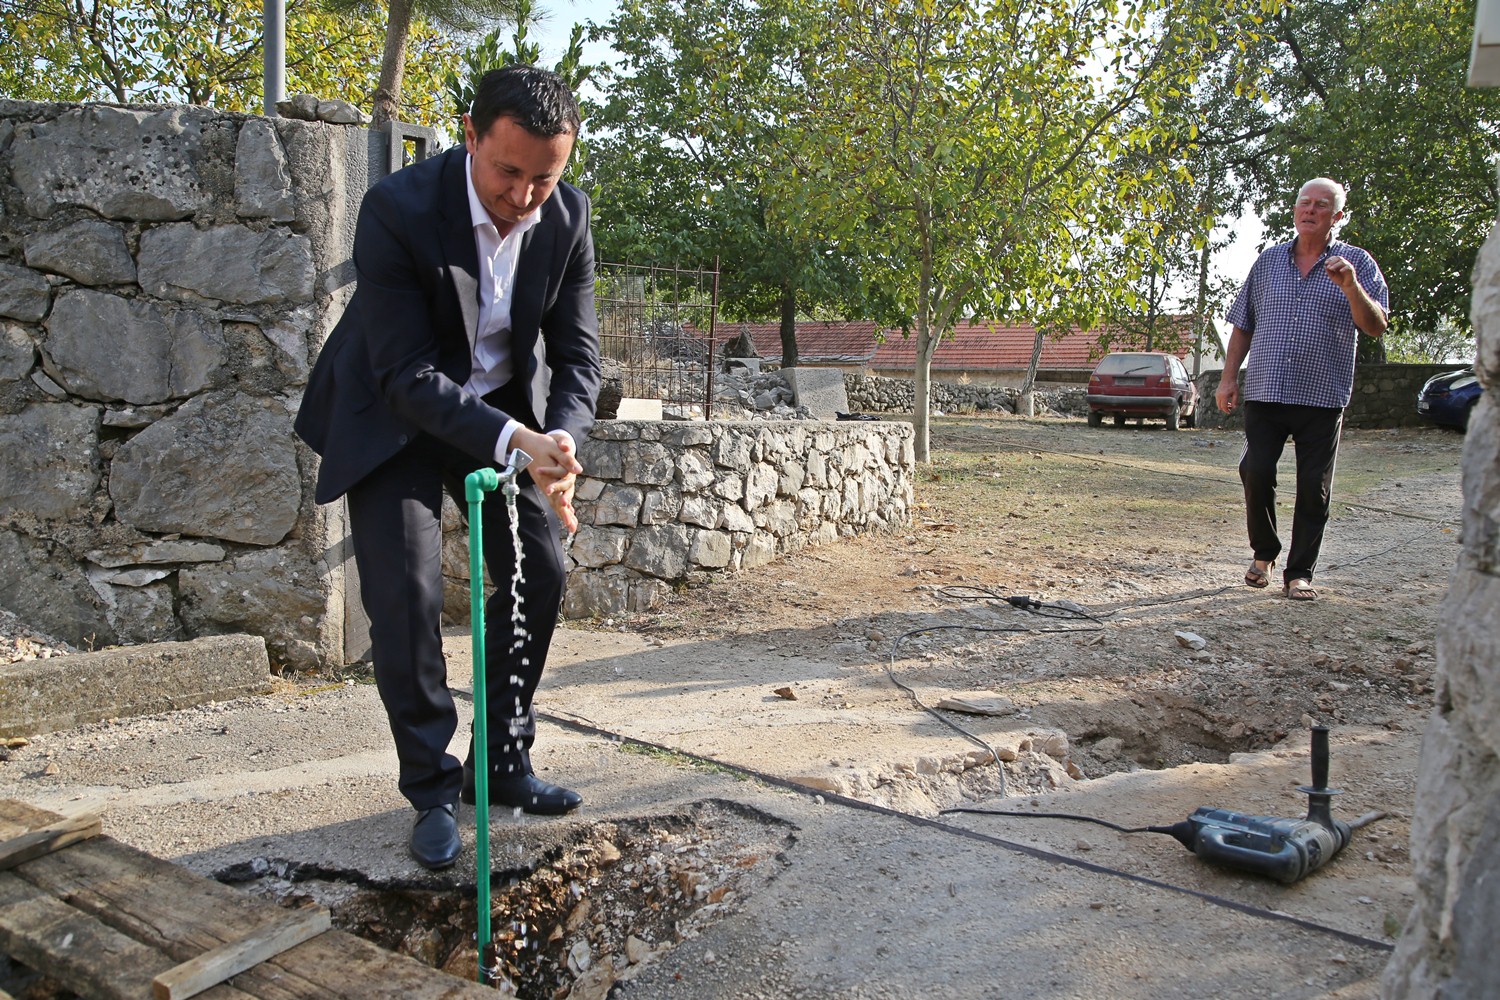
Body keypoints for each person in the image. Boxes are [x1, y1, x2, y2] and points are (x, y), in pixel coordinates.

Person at [294, 66, 601, 869]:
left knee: (541, 568)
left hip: (505, 419)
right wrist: (517, 443)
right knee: (407, 594)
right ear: (470, 133)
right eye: (508, 171)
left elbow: (578, 357)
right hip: (394, 415)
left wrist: (561, 443)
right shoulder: (396, 208)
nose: (525, 194)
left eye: (545, 176)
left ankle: (499, 763)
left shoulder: (567, 217)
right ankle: (431, 786)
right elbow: (404, 375)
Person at [1215, 177, 1388, 602]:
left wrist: (1350, 287)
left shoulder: (1356, 263)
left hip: (1322, 394)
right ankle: (1265, 553)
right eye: (1303, 203)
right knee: (1256, 471)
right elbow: (1243, 324)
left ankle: (1299, 573)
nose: (1309, 210)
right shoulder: (1268, 261)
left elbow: (1376, 325)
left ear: (1337, 216)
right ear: (1295, 211)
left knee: (1315, 486)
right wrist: (1228, 375)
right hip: (1266, 387)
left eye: (1321, 205)